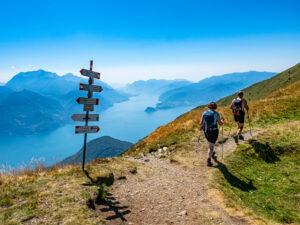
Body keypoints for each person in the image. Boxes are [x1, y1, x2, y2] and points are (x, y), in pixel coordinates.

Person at [200, 102, 224, 166]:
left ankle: (212, 153)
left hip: (206, 131)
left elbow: (201, 123)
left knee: (210, 143)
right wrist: (222, 120)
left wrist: (201, 128)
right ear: (215, 107)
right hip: (214, 131)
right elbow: (220, 123)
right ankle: (208, 160)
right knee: (211, 145)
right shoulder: (216, 114)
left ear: (209, 106)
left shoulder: (204, 113)